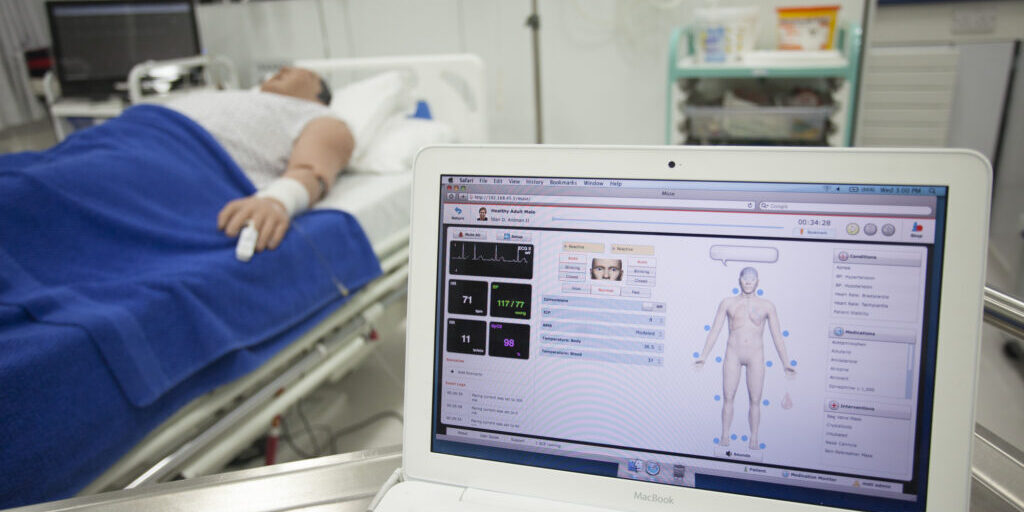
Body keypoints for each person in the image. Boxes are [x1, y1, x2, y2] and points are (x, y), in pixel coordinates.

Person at [165, 66, 355, 254]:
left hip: (180, 157)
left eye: (305, 73)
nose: (283, 69)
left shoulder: (319, 116)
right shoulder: (236, 96)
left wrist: (277, 200)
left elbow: (311, 170)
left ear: (319, 95)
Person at [695, 266, 795, 450]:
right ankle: (725, 435)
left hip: (756, 355)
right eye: (745, 278)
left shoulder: (767, 306)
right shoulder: (728, 303)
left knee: (755, 400)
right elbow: (715, 330)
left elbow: (777, 335)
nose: (748, 282)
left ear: (758, 281)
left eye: (752, 279)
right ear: (739, 280)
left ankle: (754, 438)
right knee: (728, 397)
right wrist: (704, 356)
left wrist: (785, 362)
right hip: (733, 353)